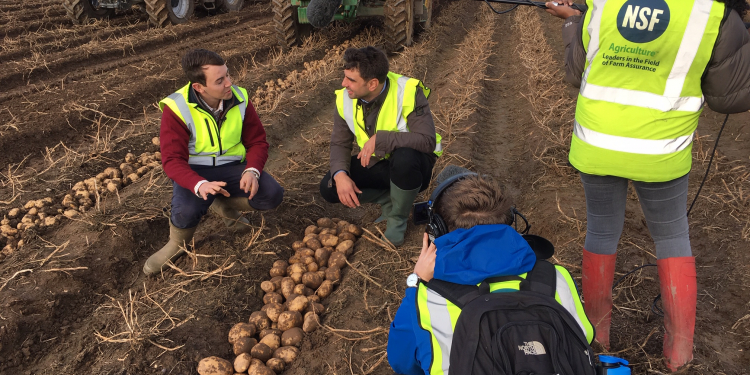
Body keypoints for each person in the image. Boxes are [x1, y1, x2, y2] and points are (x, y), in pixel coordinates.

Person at [544, 0, 750, 371]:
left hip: (597, 141)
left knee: (601, 232)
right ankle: (679, 354)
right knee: (672, 237)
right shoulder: (712, 11)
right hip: (661, 149)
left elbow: (576, 73)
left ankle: (596, 338)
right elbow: (729, 97)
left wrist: (574, 23)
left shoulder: (603, 3)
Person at [387, 166, 594, 375]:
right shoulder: (556, 278)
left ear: (437, 229)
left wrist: (416, 280)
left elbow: (402, 362)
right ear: (511, 221)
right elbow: (584, 339)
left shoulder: (428, 297)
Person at [144, 49, 284, 275]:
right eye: (220, 80)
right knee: (186, 213)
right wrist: (199, 185)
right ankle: (177, 243)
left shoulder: (240, 98)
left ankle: (223, 203)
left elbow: (258, 141)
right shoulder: (177, 108)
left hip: (232, 169)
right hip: (196, 173)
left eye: (228, 75)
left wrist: (252, 171)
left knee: (271, 194)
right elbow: (172, 161)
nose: (229, 83)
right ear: (199, 87)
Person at [319, 46, 442, 246]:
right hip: (378, 163)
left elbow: (427, 141)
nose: (344, 84)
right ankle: (389, 200)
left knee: (404, 158)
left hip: (414, 167)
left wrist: (382, 138)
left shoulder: (408, 92)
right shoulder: (345, 98)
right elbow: (340, 142)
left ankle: (397, 220)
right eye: (345, 77)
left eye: (351, 80)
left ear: (373, 83)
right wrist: (340, 174)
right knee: (329, 186)